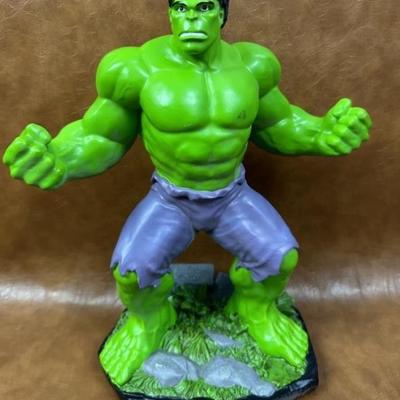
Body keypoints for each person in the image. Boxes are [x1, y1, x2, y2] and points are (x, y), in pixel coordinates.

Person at [3, 0, 371, 386]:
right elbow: (100, 136)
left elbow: (278, 123)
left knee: (280, 259)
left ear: (222, 14)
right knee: (131, 275)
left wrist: (321, 133)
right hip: (171, 201)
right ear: (169, 13)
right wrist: (61, 158)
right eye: (181, 7)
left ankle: (254, 309)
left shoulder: (253, 66)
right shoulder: (134, 68)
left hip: (231, 197)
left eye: (204, 6)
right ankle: (150, 321)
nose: (191, 17)